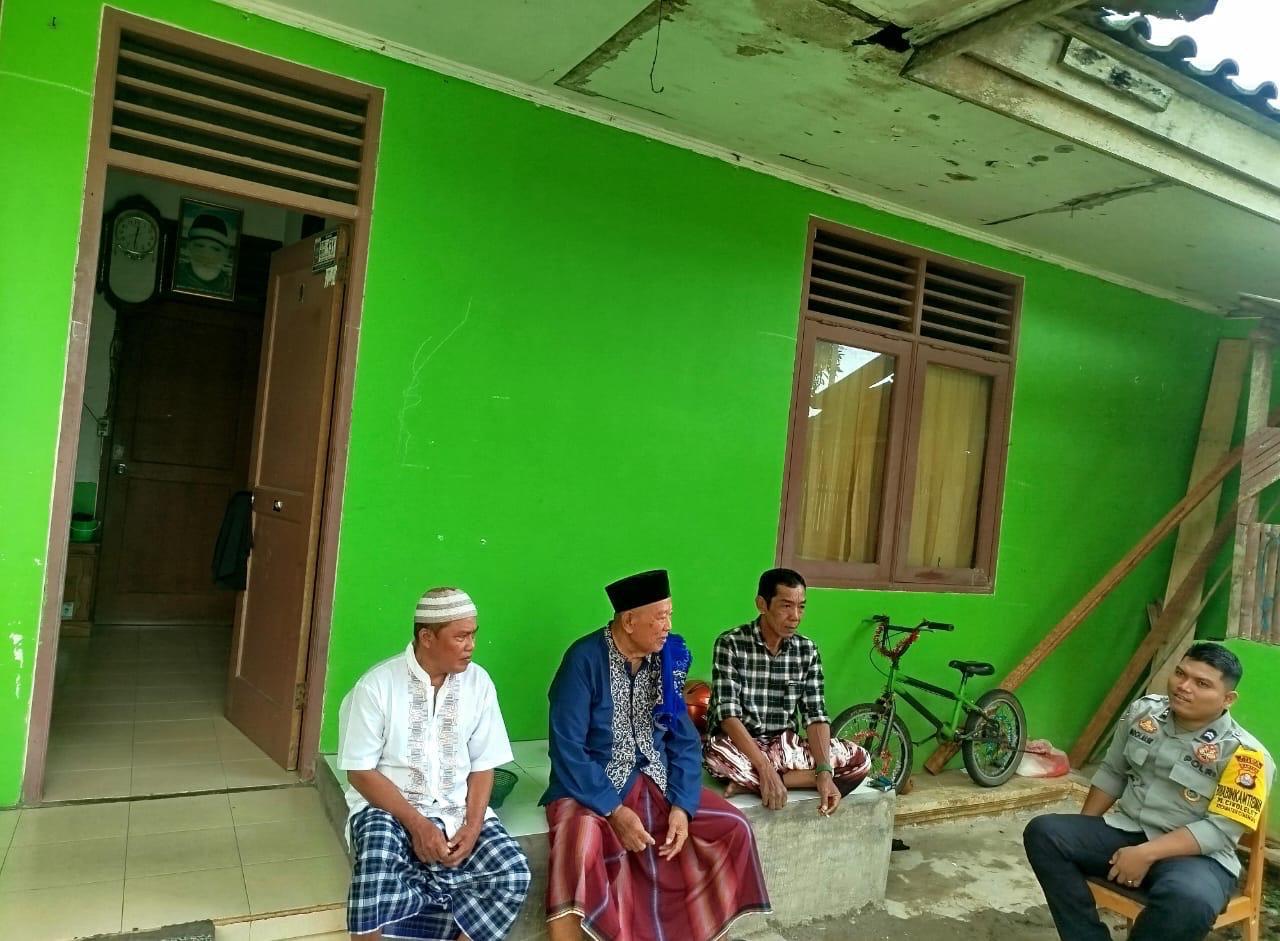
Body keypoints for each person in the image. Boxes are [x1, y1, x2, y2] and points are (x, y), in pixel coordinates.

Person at [541, 569, 771, 941]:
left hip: (658, 781)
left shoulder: (666, 660)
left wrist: (682, 805)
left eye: (670, 615)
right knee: (579, 845)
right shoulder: (583, 660)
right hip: (591, 786)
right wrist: (613, 811)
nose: (668, 627)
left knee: (734, 827)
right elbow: (567, 748)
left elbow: (683, 740)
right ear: (629, 621)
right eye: (660, 617)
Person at [1023, 642, 1274, 941]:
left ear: (1228, 699)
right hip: (1127, 831)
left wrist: (1144, 854)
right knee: (1046, 833)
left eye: (1202, 683)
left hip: (1196, 857)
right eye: (1180, 673)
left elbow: (1219, 831)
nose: (1184, 686)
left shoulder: (1246, 756)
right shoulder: (1144, 713)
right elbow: (1113, 773)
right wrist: (1082, 835)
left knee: (1191, 901)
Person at [338, 587, 531, 941]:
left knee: (513, 871)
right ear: (427, 637)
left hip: (455, 808)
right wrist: (417, 825)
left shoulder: (479, 683)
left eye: (473, 635)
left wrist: (473, 826)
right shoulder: (377, 686)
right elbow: (359, 771)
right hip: (390, 807)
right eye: (460, 636)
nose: (471, 645)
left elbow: (484, 764)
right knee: (377, 867)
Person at [704, 568, 871, 815]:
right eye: (786, 606)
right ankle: (778, 778)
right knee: (715, 756)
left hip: (785, 748)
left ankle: (749, 783)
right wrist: (764, 768)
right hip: (743, 746)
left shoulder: (807, 650)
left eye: (801, 607)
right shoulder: (731, 644)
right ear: (762, 604)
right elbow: (727, 716)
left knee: (860, 760)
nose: (795, 616)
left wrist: (824, 771)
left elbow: (815, 715)